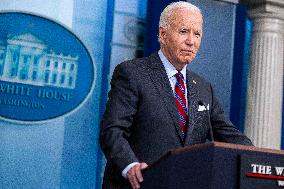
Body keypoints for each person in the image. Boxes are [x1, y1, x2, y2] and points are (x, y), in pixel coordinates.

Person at [100, 1, 253, 189]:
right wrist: (130, 165)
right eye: (183, 31)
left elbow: (231, 137)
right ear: (163, 34)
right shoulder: (133, 74)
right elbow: (112, 131)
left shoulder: (204, 89)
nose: (191, 41)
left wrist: (261, 161)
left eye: (197, 34)